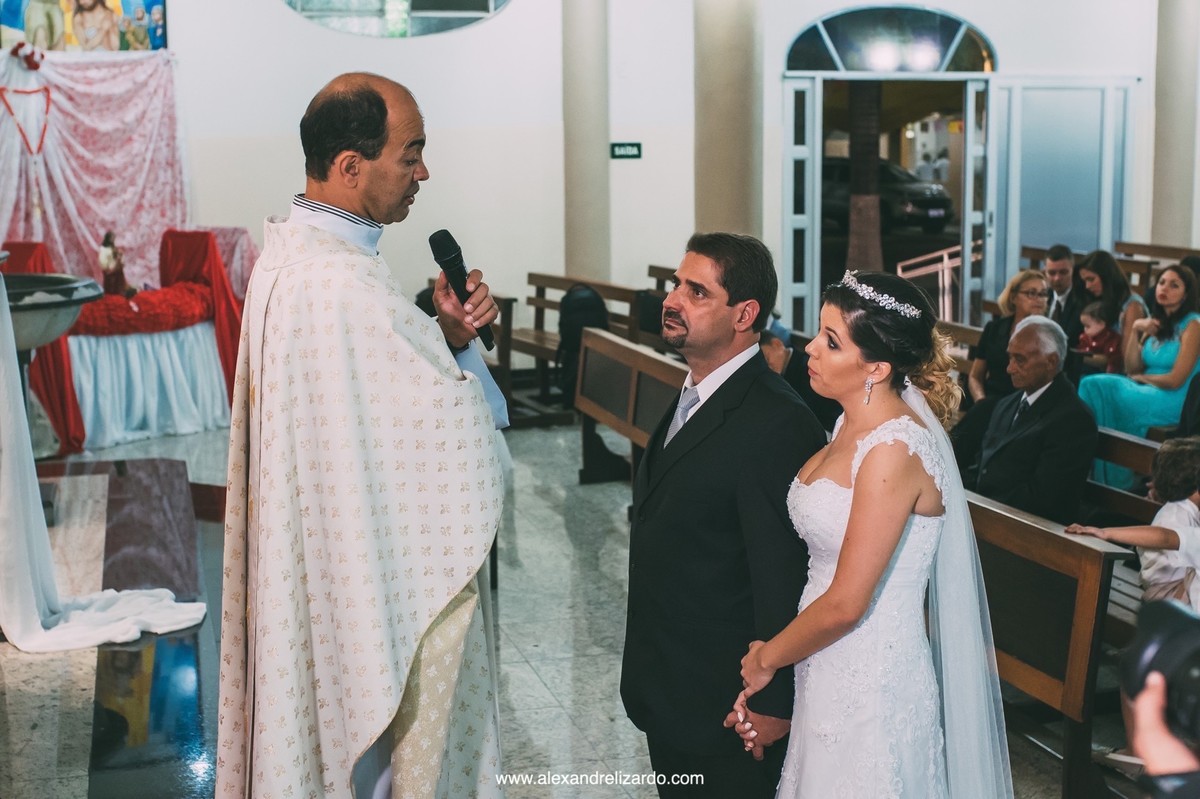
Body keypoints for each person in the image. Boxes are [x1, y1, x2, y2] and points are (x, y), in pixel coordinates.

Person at [216, 73, 509, 799]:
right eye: (411, 154)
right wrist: (462, 363)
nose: (423, 172)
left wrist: (441, 334)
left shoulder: (290, 262)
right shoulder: (345, 289)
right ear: (351, 166)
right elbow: (464, 442)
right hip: (355, 595)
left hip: (316, 565)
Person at [733, 270, 1012, 798]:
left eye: (831, 341)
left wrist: (767, 658)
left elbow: (847, 602)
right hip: (825, 660)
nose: (810, 348)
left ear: (876, 367)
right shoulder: (848, 425)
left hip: (870, 676)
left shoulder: (893, 450)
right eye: (818, 332)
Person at [621, 232, 826, 798]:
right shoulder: (692, 392)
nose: (672, 299)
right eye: (674, 284)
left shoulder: (776, 421)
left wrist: (773, 703)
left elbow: (785, 573)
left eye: (696, 291)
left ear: (745, 313)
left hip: (728, 706)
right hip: (670, 686)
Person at [967, 316, 1098, 524]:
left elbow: (1044, 499)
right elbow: (982, 465)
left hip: (1029, 532)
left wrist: (982, 509)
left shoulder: (1073, 420)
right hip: (988, 514)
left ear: (1051, 361)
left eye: (1020, 360)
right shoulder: (1007, 404)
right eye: (1010, 358)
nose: (1009, 368)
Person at [1080, 264, 1200, 487]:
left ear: (1187, 294)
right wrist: (1136, 329)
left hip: (1173, 398)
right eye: (1162, 282)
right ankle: (1095, 472)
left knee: (1100, 386)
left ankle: (1112, 478)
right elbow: (1132, 367)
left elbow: (1176, 379)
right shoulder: (1158, 322)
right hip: (1145, 388)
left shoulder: (1193, 324)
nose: (1164, 288)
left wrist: (1143, 379)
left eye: (1174, 285)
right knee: (1091, 385)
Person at [1067, 436, 1200, 609]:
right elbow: (1165, 537)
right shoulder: (1176, 515)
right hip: (1167, 596)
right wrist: (1105, 533)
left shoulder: (1186, 511)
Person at [951, 268, 1050, 470]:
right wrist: (980, 399)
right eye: (1031, 293)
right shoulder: (995, 328)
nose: (1038, 299)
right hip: (990, 400)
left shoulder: (1048, 334)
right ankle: (955, 471)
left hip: (1023, 401)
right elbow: (976, 376)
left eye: (1042, 294)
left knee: (982, 421)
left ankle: (955, 472)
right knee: (983, 413)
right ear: (1014, 297)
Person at [760, 328, 841, 433]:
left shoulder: (809, 367)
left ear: (777, 344)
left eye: (767, 359)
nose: (768, 367)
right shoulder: (779, 376)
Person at [1077, 249, 1149, 354]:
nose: (1087, 286)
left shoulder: (1132, 305)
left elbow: (1127, 356)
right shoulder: (1100, 299)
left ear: (1107, 276)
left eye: (1091, 279)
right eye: (1085, 281)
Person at [1043, 243, 1086, 345]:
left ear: (1073, 270)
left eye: (1063, 272)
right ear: (1045, 272)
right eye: (1052, 273)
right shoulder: (1041, 297)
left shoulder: (1084, 301)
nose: (1057, 278)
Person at [1078, 300, 1123, 374]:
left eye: (1088, 326)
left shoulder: (1111, 339)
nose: (1085, 329)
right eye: (1084, 326)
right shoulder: (1085, 338)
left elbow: (1112, 361)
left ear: (1101, 324)